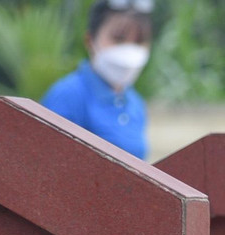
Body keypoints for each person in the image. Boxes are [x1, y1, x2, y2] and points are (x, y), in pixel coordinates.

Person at [41, 0, 153, 159]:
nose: (129, 50)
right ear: (90, 40)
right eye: (118, 39)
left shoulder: (135, 103)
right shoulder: (68, 96)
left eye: (139, 41)